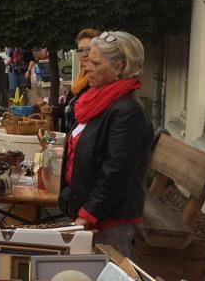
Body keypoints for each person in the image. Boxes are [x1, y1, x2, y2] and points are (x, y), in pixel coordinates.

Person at [58, 31, 152, 259]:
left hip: (109, 223)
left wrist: (88, 214)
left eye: (95, 62)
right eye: (88, 59)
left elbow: (116, 173)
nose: (87, 67)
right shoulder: (100, 99)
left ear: (119, 67)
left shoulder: (127, 110)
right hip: (91, 212)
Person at [63, 27, 100, 132]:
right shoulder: (80, 79)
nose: (84, 54)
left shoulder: (97, 82)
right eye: (80, 50)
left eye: (88, 49)